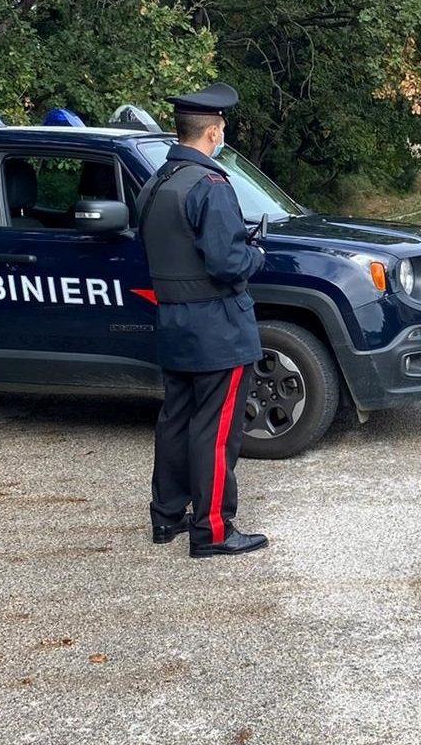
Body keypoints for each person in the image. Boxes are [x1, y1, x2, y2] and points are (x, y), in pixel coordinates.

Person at [135, 82, 269, 558]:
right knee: (214, 431)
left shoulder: (156, 184)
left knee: (176, 421)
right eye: (223, 128)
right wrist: (255, 253)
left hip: (172, 321)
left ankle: (166, 517)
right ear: (213, 131)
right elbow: (228, 263)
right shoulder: (210, 186)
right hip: (219, 328)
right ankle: (212, 530)